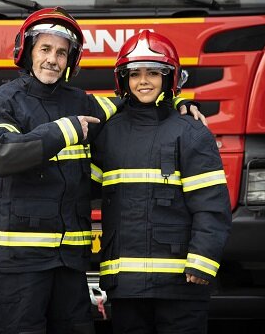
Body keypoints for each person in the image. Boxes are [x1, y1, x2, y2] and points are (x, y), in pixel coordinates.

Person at [0, 7, 204, 334]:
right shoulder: (4, 101)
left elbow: (135, 101)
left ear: (71, 59)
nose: (52, 59)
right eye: (44, 49)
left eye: (61, 52)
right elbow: (1, 156)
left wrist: (178, 105)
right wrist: (65, 130)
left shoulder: (83, 102)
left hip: (69, 260)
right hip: (13, 261)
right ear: (27, 52)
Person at [90, 30, 232, 334]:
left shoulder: (191, 133)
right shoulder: (108, 132)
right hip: (125, 285)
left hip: (181, 283)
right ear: (123, 79)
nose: (144, 81)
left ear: (169, 79)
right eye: (135, 73)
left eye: (154, 73)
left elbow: (212, 205)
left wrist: (202, 261)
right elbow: (84, 189)